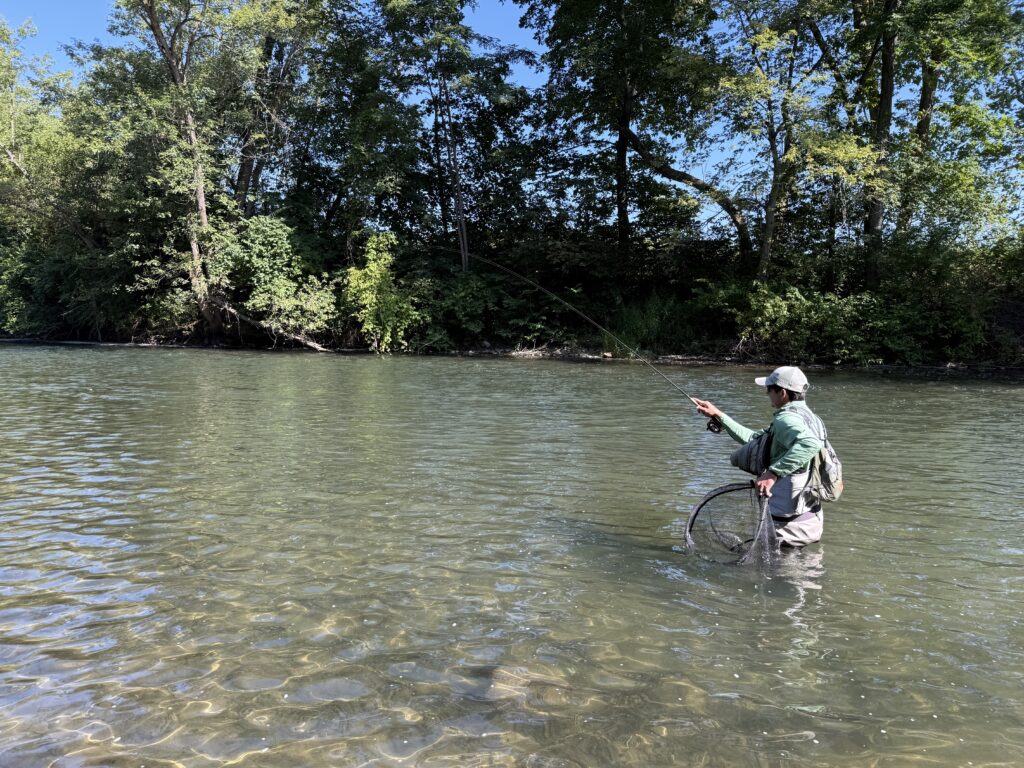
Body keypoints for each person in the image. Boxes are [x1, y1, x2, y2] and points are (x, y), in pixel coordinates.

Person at [692, 366, 826, 547]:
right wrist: (719, 415)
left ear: (783, 393)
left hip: (788, 528)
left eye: (769, 389)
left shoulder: (786, 419)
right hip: (810, 520)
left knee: (777, 572)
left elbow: (810, 444)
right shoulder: (811, 418)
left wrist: (772, 473)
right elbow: (754, 440)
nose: (767, 394)